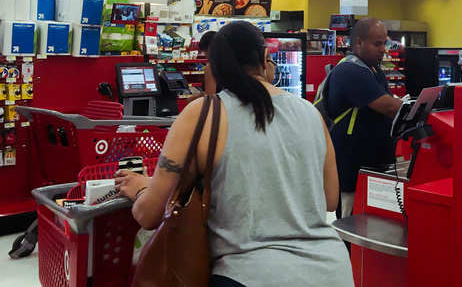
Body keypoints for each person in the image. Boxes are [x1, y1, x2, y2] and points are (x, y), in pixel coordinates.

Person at [115, 21, 353, 287]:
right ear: (264, 58)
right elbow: (330, 199)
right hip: (333, 272)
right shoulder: (310, 112)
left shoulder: (202, 114)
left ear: (212, 67)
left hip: (250, 275)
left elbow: (149, 215)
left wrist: (139, 188)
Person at [327, 17, 404, 217]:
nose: (383, 49)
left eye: (384, 43)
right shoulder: (350, 71)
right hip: (352, 168)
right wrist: (419, 110)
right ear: (359, 43)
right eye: (377, 44)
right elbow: (387, 106)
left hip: (372, 165)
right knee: (351, 224)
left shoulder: (373, 70)